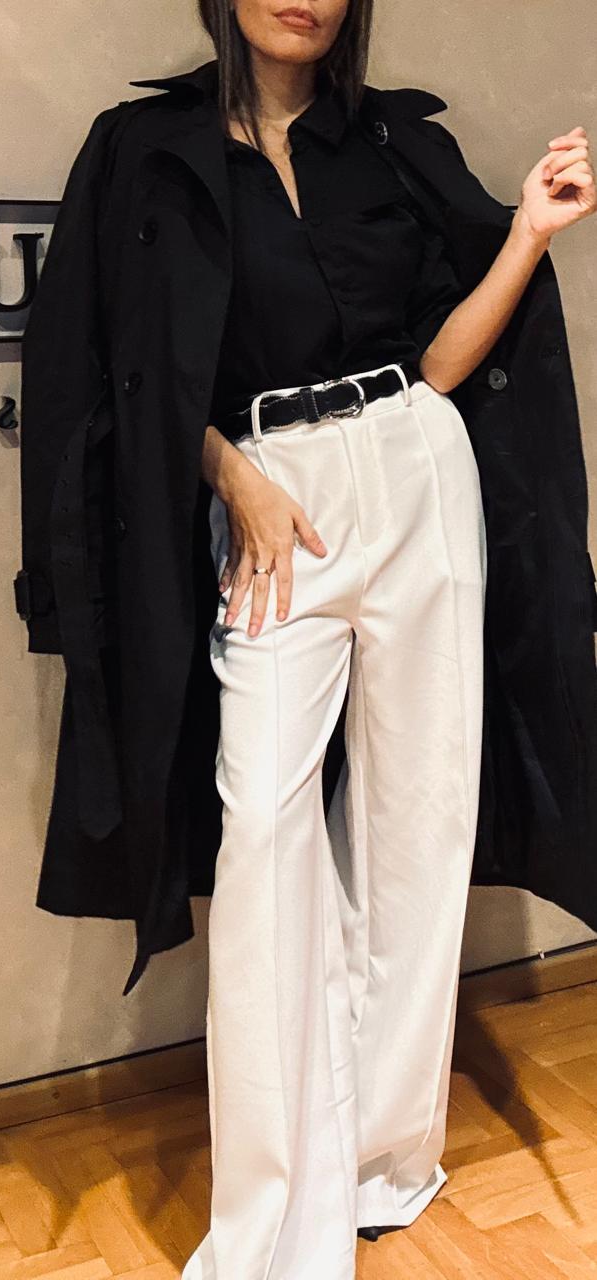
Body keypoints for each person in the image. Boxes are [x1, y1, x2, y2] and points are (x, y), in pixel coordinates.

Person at [171, 2, 596, 1277]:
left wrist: (527, 232)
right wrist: (229, 473)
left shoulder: (396, 145)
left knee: (420, 818)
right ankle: (271, 1216)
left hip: (415, 468)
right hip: (275, 496)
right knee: (264, 827)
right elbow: (125, 358)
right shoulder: (150, 152)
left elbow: (441, 365)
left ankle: (382, 1157)